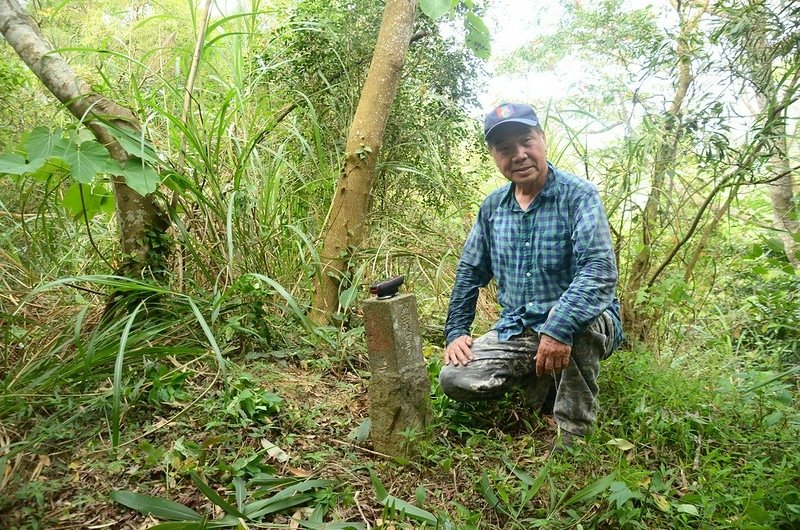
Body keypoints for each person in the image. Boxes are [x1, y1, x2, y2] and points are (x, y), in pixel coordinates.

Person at [439, 102, 623, 451]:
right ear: (494, 156)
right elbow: (469, 272)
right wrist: (457, 331)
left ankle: (574, 436)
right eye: (505, 149)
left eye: (526, 141)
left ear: (542, 139)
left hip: (586, 324)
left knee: (577, 321)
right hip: (520, 326)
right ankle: (542, 386)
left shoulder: (578, 196)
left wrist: (558, 325)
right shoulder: (493, 207)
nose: (519, 155)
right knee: (456, 377)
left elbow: (599, 270)